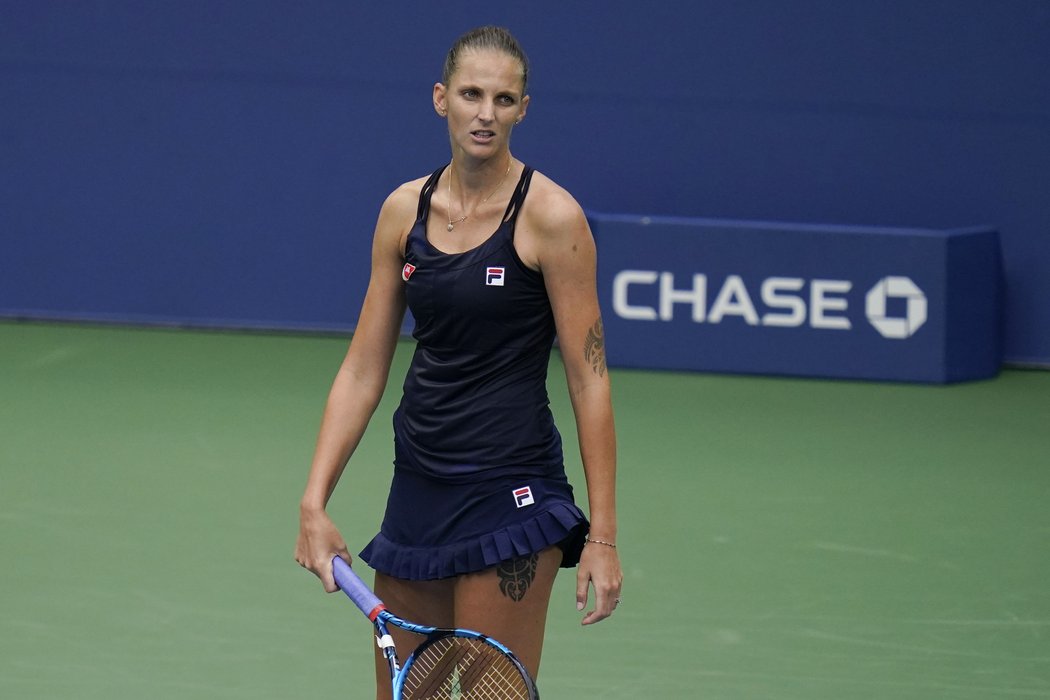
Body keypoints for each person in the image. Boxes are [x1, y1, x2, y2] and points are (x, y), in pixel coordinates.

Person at [294, 25, 622, 696]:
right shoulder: (403, 212)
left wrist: (604, 537)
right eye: (472, 94)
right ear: (441, 99)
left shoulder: (551, 219)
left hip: (512, 495)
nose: (486, 113)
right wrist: (314, 499)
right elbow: (362, 368)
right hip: (418, 491)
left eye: (504, 99)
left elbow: (590, 380)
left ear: (523, 109)